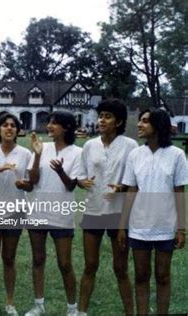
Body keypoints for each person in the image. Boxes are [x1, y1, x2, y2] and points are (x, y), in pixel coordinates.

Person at [118, 108, 188, 314]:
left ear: (158, 125)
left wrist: (181, 229)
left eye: (145, 121)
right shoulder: (135, 155)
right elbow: (130, 191)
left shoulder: (176, 155)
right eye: (140, 121)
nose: (139, 125)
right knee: (141, 275)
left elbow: (179, 193)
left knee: (163, 275)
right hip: (139, 226)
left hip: (166, 225)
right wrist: (122, 226)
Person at [77, 99, 137, 315]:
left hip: (118, 214)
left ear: (119, 121)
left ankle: (130, 312)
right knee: (90, 265)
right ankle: (81, 311)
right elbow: (80, 175)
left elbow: (135, 182)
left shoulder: (130, 146)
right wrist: (81, 182)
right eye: (101, 115)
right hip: (93, 210)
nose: (102, 120)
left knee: (120, 269)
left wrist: (121, 187)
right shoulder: (89, 145)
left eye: (108, 116)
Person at [23, 111, 81, 316]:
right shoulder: (41, 148)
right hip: (38, 212)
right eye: (49, 122)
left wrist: (60, 171)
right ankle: (38, 305)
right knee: (38, 260)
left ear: (66, 128)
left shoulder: (76, 152)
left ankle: (72, 308)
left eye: (54, 123)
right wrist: (37, 154)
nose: (49, 126)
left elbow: (71, 186)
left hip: (61, 214)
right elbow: (34, 180)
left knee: (65, 263)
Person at [0, 113, 32, 315]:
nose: (9, 128)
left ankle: (10, 303)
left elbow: (31, 183)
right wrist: (0, 169)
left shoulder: (25, 153)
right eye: (5, 125)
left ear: (18, 130)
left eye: (13, 125)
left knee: (9, 259)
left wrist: (25, 184)